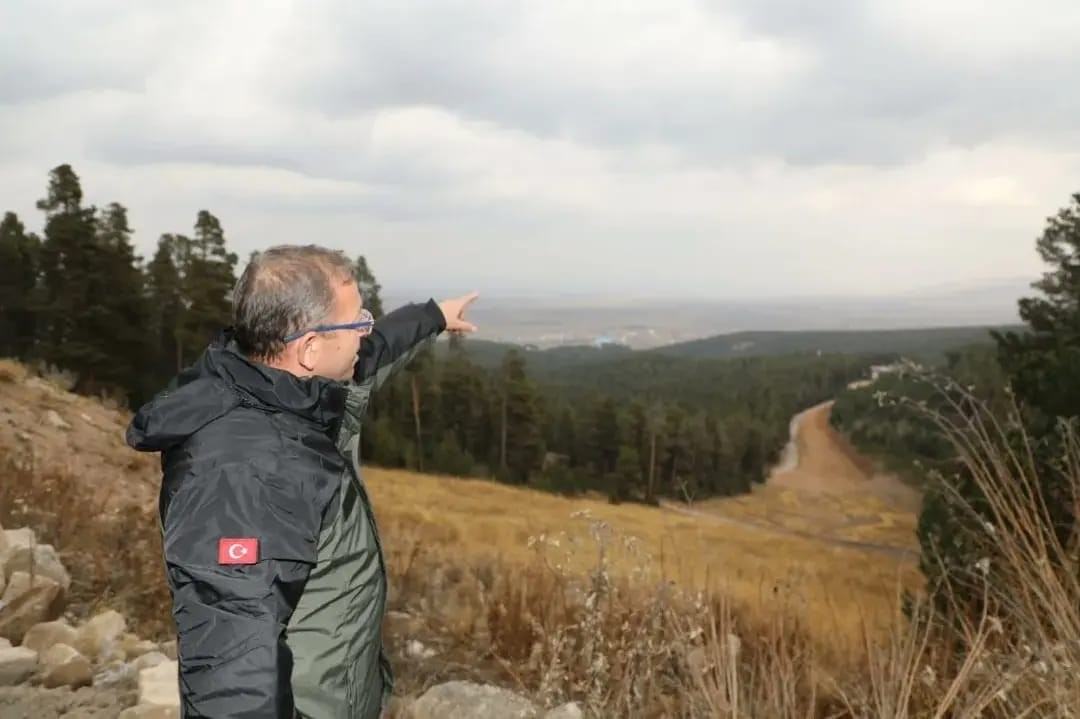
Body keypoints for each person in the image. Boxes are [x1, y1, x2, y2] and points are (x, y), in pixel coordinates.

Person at [126, 244, 478, 718]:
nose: (365, 334)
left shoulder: (292, 392)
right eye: (357, 322)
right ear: (310, 347)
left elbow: (372, 353)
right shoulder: (245, 473)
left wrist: (433, 316)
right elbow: (233, 674)